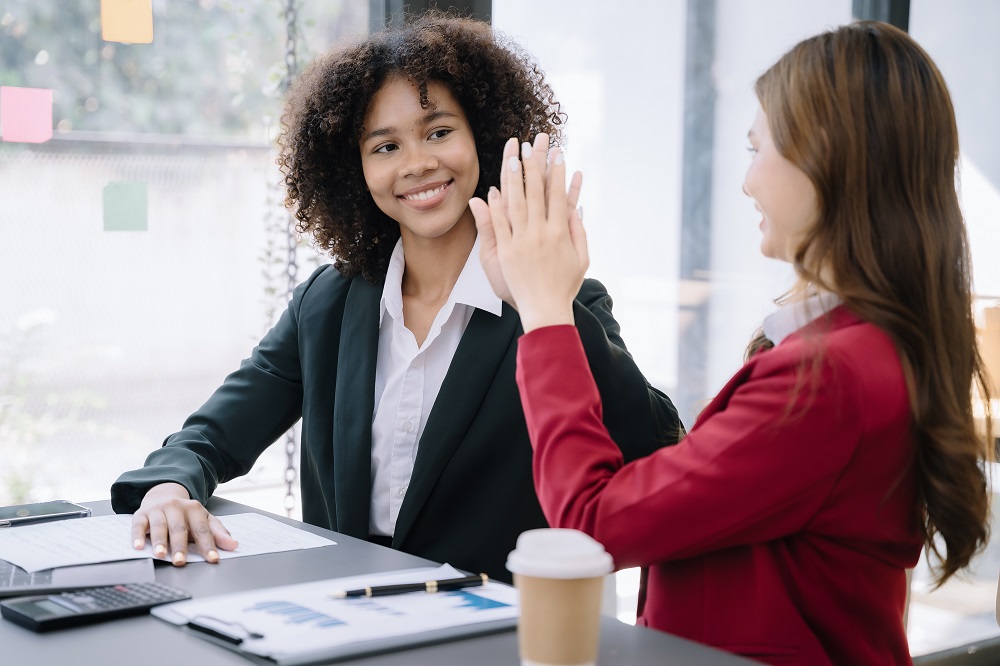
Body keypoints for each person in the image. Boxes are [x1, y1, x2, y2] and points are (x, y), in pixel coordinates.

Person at [471, 21, 993, 664]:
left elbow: (590, 521)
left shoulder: (831, 378)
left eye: (756, 149)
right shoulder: (866, 348)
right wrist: (538, 304)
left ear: (826, 153)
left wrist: (547, 316)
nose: (746, 183)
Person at [110, 12, 681, 584]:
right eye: (385, 146)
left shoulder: (556, 299)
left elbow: (651, 445)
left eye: (439, 132)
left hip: (495, 630)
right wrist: (169, 486)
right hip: (349, 617)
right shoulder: (328, 304)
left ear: (482, 135)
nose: (416, 164)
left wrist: (547, 308)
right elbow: (213, 435)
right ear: (353, 167)